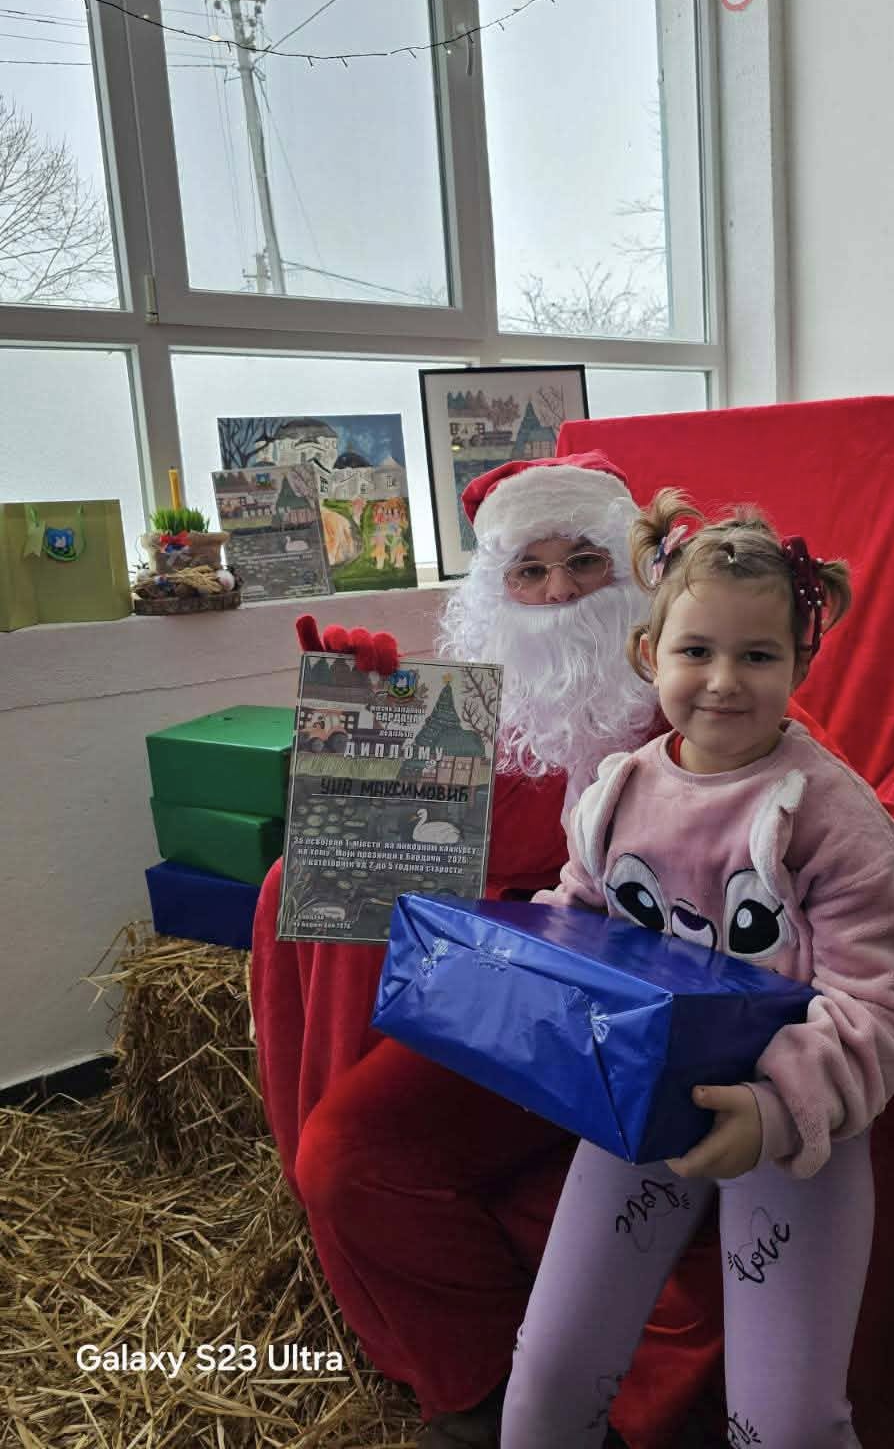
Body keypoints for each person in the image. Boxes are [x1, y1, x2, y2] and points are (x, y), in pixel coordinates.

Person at [251, 451, 723, 1449]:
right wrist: (370, 720)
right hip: (511, 997)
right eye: (530, 570)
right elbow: (398, 853)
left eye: (584, 562)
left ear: (635, 572)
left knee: (361, 1154)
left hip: (648, 1013)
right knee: (348, 1156)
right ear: (495, 590)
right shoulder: (482, 716)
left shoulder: (703, 687)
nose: (557, 594)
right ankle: (483, 1402)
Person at [501, 493, 894, 1449]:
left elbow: (883, 1010)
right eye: (696, 651)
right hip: (643, 1109)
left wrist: (775, 1113)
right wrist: (523, 983)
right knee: (547, 1381)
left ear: (801, 664)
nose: (724, 682)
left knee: (786, 1424)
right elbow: (581, 921)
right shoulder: (618, 793)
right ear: (649, 653)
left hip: (793, 1131)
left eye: (758, 656)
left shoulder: (834, 819)